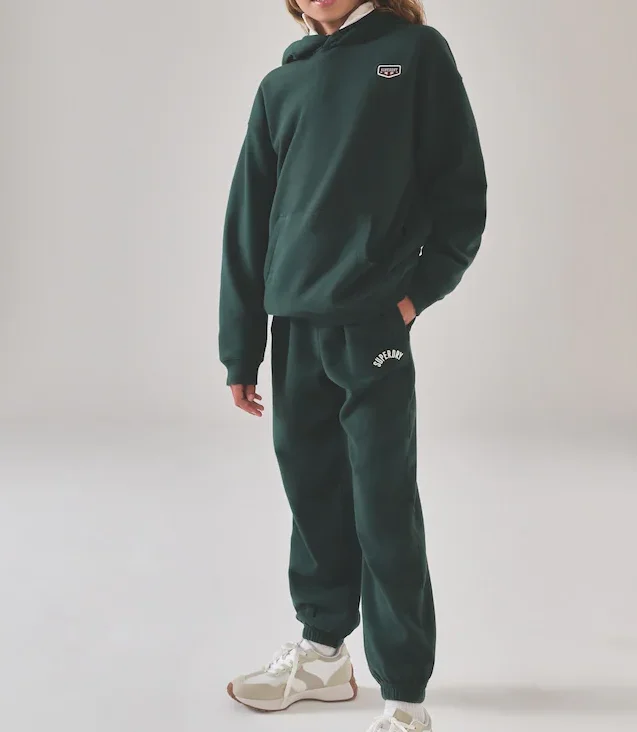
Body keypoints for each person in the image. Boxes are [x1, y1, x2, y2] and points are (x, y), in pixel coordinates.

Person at [218, 0, 487, 729]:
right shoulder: (282, 84)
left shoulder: (414, 54)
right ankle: (322, 656)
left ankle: (404, 697)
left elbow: (460, 191)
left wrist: (413, 297)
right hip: (293, 326)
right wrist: (240, 345)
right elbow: (248, 220)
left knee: (382, 503)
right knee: (313, 495)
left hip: (370, 323)